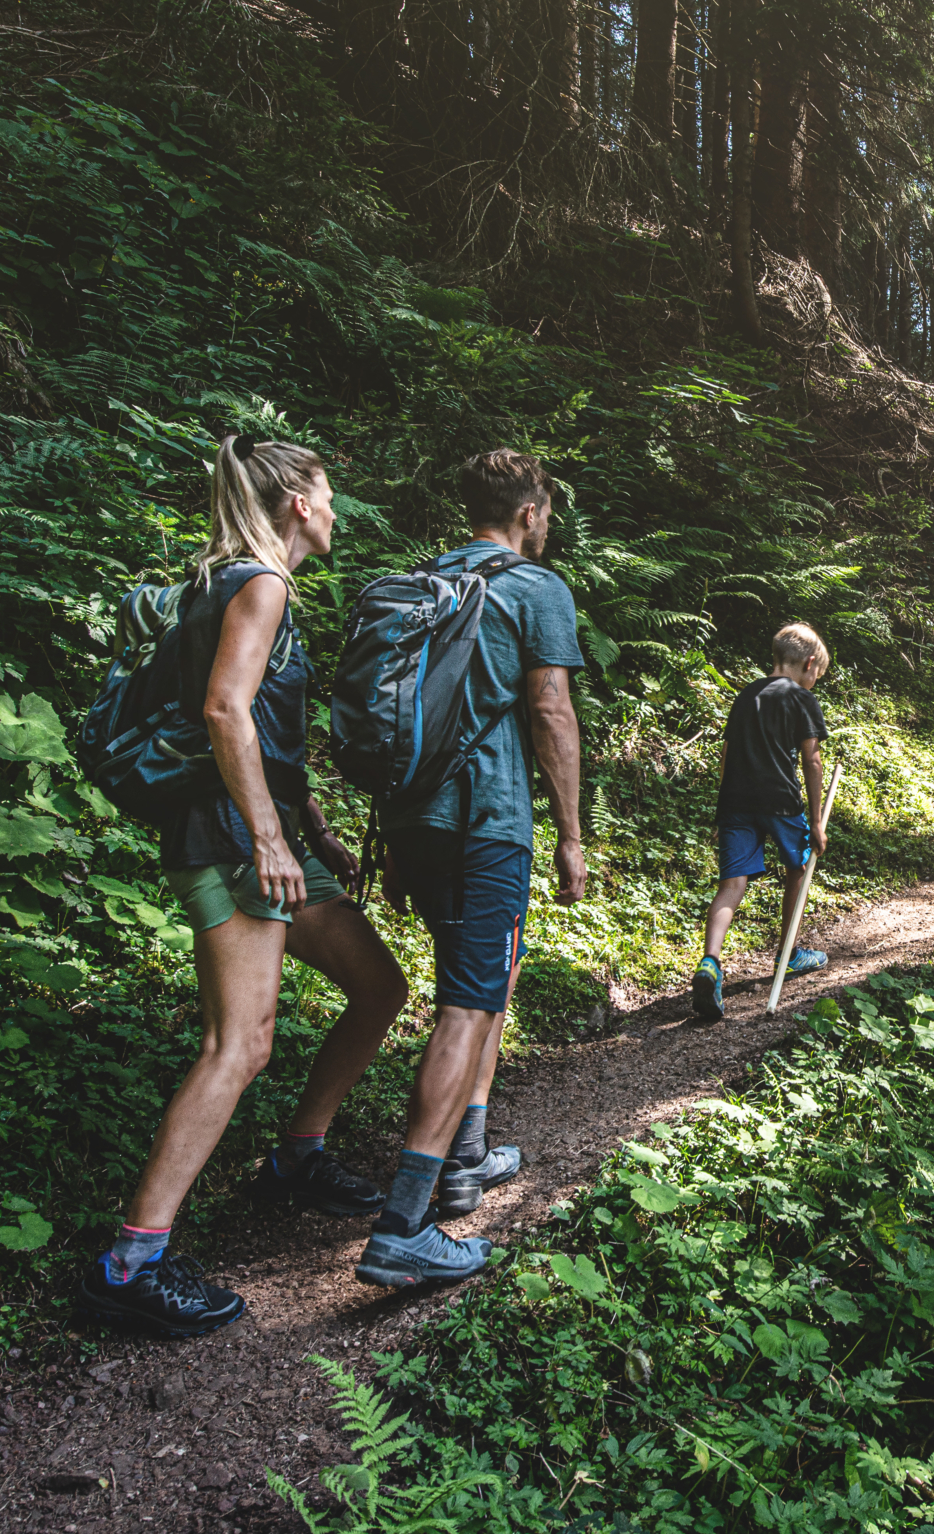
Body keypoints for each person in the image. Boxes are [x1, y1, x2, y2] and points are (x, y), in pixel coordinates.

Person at [76, 436, 411, 1339]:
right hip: (231, 839)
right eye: (332, 492)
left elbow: (263, 726)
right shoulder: (258, 584)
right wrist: (269, 837)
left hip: (257, 837)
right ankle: (129, 1262)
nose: (339, 510)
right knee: (241, 1043)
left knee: (381, 984)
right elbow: (225, 708)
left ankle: (299, 1155)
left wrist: (315, 833)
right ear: (299, 501)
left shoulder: (233, 580)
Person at [361, 449, 587, 1287]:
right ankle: (403, 1224)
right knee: (467, 1002)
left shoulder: (424, 583)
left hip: (415, 821)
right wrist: (570, 832)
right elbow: (550, 710)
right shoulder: (535, 588)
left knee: (482, 974)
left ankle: (463, 1158)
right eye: (548, 511)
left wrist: (388, 837)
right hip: (482, 822)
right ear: (530, 511)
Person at [691, 624, 833, 1024]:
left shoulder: (745, 694)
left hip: (735, 801)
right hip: (780, 801)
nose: (814, 682)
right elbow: (811, 760)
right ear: (809, 664)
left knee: (731, 885)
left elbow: (727, 754)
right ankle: (788, 954)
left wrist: (722, 812)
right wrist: (818, 821)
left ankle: (710, 963)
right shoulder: (802, 699)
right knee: (799, 869)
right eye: (816, 675)